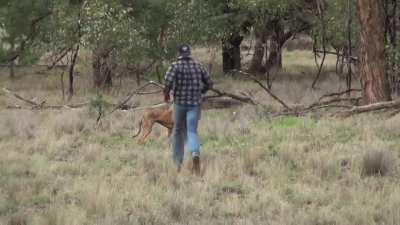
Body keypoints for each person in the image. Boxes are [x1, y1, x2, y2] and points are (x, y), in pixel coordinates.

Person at [164, 44, 213, 175]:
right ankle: (195, 152)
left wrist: (166, 95)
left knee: (178, 131)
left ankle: (177, 163)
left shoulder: (175, 66)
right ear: (189, 53)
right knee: (192, 130)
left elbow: (167, 82)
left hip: (180, 103)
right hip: (195, 104)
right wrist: (201, 91)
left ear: (179, 53)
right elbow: (210, 83)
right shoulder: (198, 65)